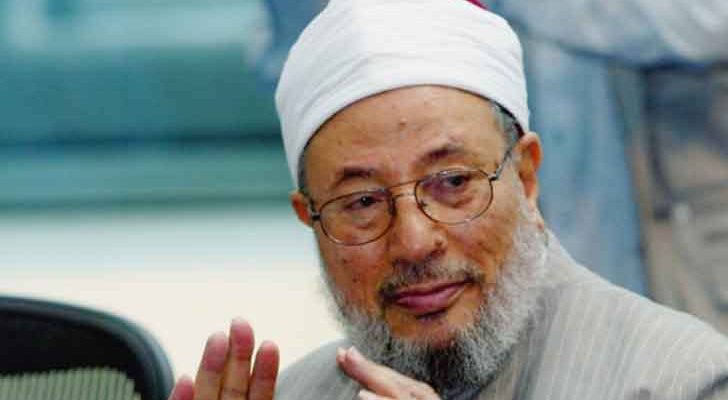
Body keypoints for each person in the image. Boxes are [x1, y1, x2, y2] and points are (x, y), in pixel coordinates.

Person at [168, 1, 728, 399]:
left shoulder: (683, 380)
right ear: (310, 219)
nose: (414, 242)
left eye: (453, 183)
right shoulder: (298, 393)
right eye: (361, 202)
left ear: (526, 177)